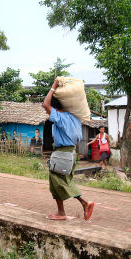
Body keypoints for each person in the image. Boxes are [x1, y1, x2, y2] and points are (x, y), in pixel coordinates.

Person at [42, 79, 94, 221]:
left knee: (59, 181)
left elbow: (45, 104)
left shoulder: (60, 117)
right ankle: (61, 212)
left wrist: (53, 87)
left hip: (62, 154)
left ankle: (85, 203)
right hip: (71, 154)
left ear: (56, 109)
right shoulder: (75, 118)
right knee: (57, 182)